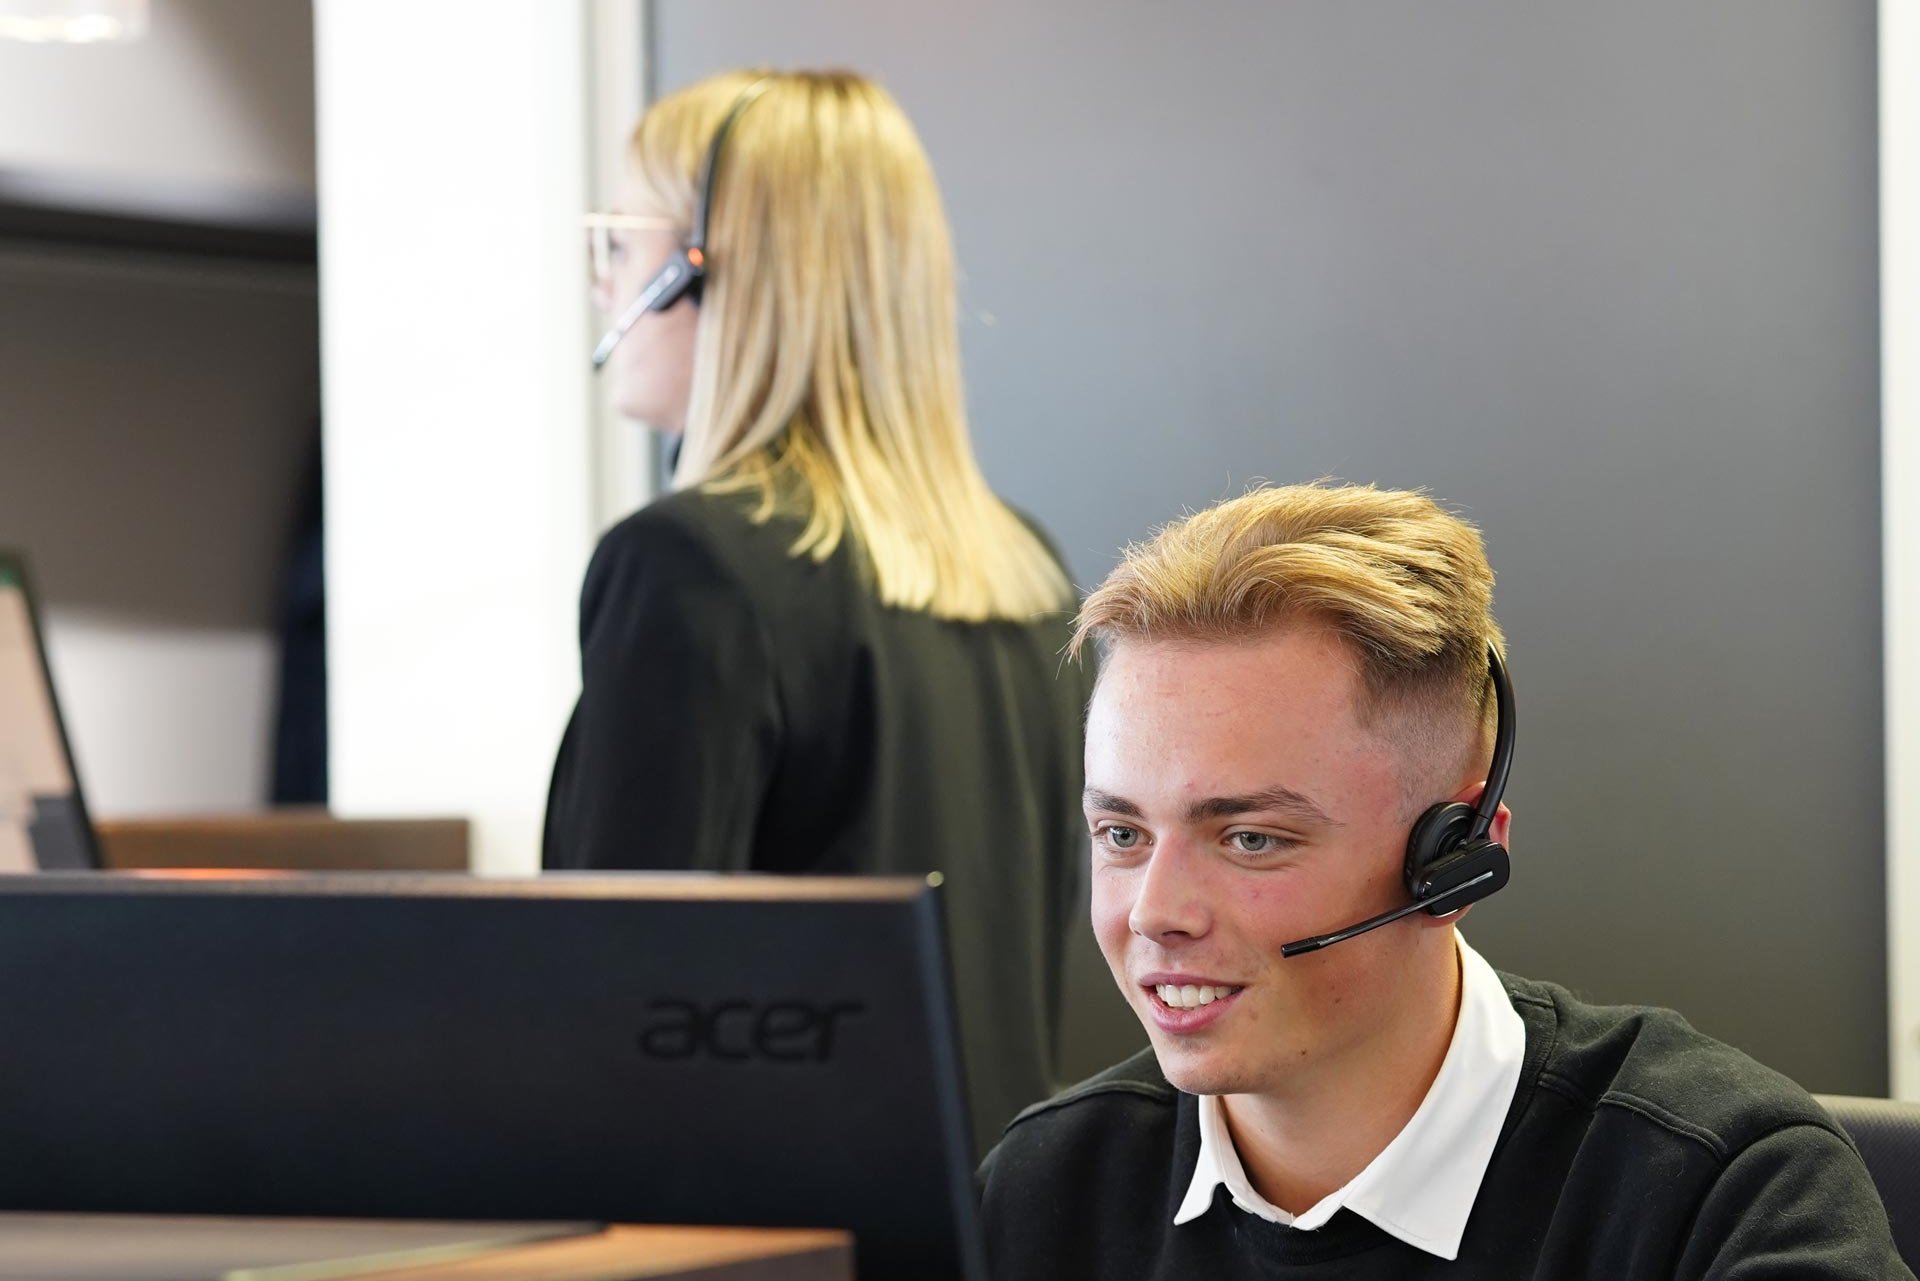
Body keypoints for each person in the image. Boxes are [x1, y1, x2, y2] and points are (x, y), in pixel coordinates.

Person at [978, 482, 1911, 1279]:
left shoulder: (1724, 1192)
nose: (1154, 912)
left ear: (1452, 862)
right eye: (1123, 832)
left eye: (1251, 838)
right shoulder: (1044, 1188)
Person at [544, 70, 1093, 1153]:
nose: (605, 284)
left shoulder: (689, 568)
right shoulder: (1027, 572)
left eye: (620, 242)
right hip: (993, 1214)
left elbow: (610, 998)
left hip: (781, 1221)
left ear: (705, 271)